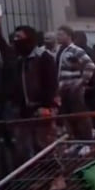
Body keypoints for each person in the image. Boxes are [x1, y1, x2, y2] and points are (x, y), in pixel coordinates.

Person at [10, 25, 58, 156]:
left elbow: (51, 84)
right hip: (25, 111)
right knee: (26, 148)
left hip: (42, 109)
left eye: (19, 37)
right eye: (15, 37)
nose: (16, 40)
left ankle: (53, 175)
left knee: (44, 147)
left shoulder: (43, 57)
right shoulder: (20, 61)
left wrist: (46, 105)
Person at [56, 26, 95, 140]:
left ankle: (87, 141)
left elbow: (90, 65)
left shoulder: (75, 50)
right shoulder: (61, 51)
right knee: (69, 118)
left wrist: (82, 81)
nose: (58, 37)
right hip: (64, 89)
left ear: (68, 36)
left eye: (61, 34)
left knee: (79, 116)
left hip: (74, 90)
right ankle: (77, 140)